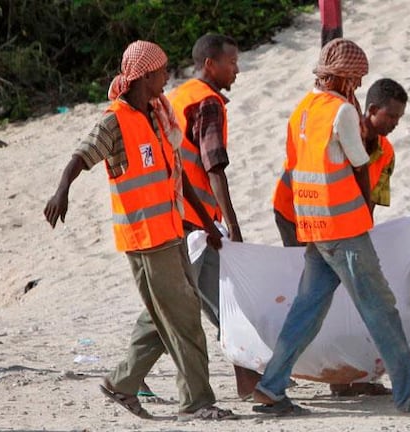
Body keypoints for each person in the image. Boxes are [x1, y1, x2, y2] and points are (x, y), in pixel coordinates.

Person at [43, 40, 236, 421]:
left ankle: (122, 383)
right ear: (144, 76)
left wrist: (205, 222)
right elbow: (82, 155)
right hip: (146, 238)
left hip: (172, 231)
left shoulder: (158, 114)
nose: (167, 78)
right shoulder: (116, 119)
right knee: (183, 319)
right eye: (163, 72)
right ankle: (196, 402)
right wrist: (61, 191)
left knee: (165, 314)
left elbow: (177, 178)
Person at [252, 38, 410, 415]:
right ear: (343, 77)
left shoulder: (302, 111)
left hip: (312, 226)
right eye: (356, 79)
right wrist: (362, 209)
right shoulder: (341, 112)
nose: (358, 87)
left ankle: (271, 386)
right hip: (343, 227)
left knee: (307, 310)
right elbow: (359, 164)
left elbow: (295, 168)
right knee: (381, 309)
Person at [271, 77, 408, 397]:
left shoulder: (386, 153)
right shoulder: (342, 129)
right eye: (390, 117)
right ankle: (406, 390)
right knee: (368, 306)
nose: (395, 124)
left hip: (341, 226)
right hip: (301, 217)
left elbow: (371, 197)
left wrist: (361, 230)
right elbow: (302, 178)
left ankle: (279, 383)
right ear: (371, 110)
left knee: (316, 304)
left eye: (400, 118)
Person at [165, 33, 262, 400]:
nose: (236, 69)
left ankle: (130, 376)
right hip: (199, 222)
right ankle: (249, 382)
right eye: (231, 62)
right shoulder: (207, 104)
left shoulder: (179, 95)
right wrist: (231, 225)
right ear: (210, 64)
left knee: (199, 301)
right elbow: (214, 167)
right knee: (225, 303)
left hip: (179, 214)